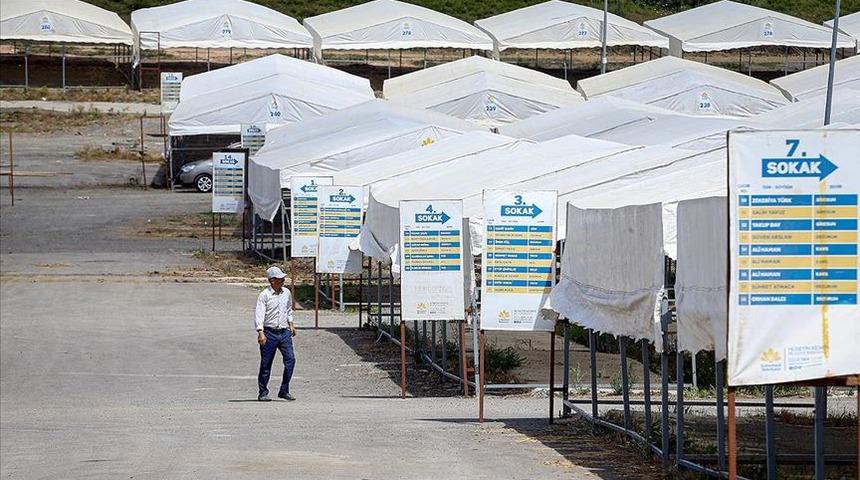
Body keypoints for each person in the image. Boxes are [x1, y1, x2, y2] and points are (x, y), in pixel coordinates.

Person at [254, 266, 297, 402]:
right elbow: (259, 314)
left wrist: (291, 324)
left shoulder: (286, 293)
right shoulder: (264, 295)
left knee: (290, 360)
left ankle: (284, 390)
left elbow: (288, 309)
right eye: (279, 279)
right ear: (272, 280)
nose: (282, 281)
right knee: (266, 363)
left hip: (284, 332)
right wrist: (260, 332)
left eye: (283, 278)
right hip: (269, 332)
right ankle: (263, 392)